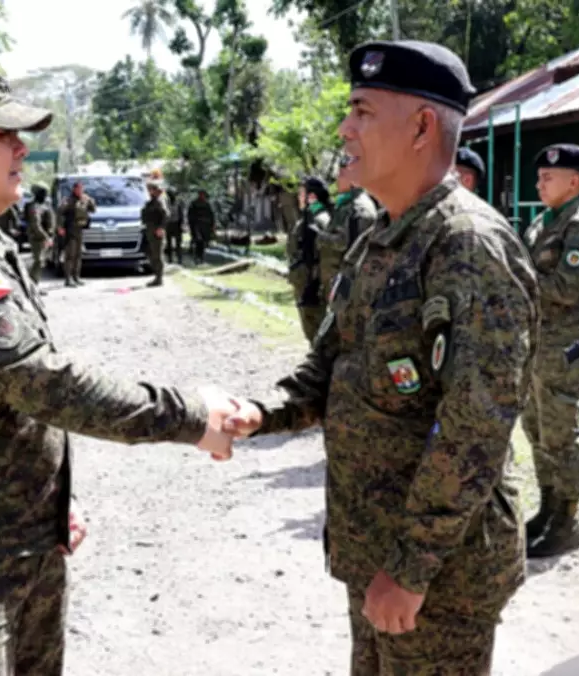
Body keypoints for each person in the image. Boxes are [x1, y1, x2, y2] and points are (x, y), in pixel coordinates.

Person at [0, 70, 239, 676]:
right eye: (3, 134)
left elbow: (5, 405)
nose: (21, 148)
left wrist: (47, 498)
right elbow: (44, 383)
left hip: (16, 543)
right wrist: (191, 416)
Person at [224, 40, 540, 674]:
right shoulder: (382, 237)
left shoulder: (466, 245)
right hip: (375, 550)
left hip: (437, 577)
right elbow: (329, 363)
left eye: (362, 110)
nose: (345, 128)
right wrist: (260, 413)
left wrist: (412, 567)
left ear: (422, 126)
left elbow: (475, 427)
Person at [520, 143, 579, 558]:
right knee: (535, 432)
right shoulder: (540, 224)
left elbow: (567, 290)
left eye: (548, 177)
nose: (540, 182)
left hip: (561, 350)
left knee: (560, 438)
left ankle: (567, 523)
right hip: (535, 345)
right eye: (540, 176)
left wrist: (518, 282)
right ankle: (549, 509)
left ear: (575, 182)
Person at [315, 161, 378, 308]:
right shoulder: (346, 204)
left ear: (355, 180)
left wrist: (321, 237)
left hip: (347, 286)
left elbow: (348, 245)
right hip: (335, 280)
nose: (337, 179)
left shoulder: (358, 209)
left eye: (342, 174)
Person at [286, 177, 329, 343]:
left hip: (312, 285)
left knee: (316, 334)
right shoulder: (309, 218)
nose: (298, 198)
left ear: (312, 196)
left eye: (301, 194)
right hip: (304, 282)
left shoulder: (318, 219)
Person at [59, 180, 95, 287]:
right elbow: (60, 213)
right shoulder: (68, 200)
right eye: (78, 188)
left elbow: (93, 210)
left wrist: (90, 200)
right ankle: (68, 279)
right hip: (70, 230)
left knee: (78, 255)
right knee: (70, 255)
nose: (80, 191)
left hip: (80, 230)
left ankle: (76, 277)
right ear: (74, 189)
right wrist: (60, 227)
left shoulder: (85, 199)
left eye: (81, 188)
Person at [142, 173, 169, 286]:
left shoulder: (159, 201)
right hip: (149, 230)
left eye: (150, 189)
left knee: (157, 255)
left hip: (156, 231)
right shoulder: (151, 202)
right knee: (150, 253)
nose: (148, 191)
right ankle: (157, 275)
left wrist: (161, 228)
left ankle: (159, 278)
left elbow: (166, 215)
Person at [26, 184, 53, 285]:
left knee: (41, 262)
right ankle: (31, 284)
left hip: (44, 237)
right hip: (37, 237)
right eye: (43, 193)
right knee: (38, 261)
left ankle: (35, 284)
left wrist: (50, 235)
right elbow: (35, 225)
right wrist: (46, 237)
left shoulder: (45, 205)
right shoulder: (34, 207)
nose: (45, 195)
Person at [187, 188, 214, 263]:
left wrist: (212, 225)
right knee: (198, 240)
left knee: (203, 242)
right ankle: (197, 256)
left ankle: (201, 257)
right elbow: (190, 215)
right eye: (201, 194)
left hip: (205, 226)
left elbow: (211, 215)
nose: (202, 196)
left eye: (203, 194)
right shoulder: (194, 203)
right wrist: (191, 224)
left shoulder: (207, 204)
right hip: (197, 225)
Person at [165, 187, 184, 264]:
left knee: (178, 243)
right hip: (168, 224)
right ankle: (170, 259)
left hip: (177, 224)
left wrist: (182, 224)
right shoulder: (166, 203)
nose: (171, 196)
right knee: (169, 243)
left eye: (172, 194)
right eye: (170, 194)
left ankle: (179, 259)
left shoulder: (179, 203)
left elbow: (181, 214)